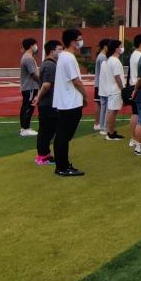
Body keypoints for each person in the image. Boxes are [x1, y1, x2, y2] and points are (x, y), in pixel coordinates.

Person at [53, 29, 88, 176]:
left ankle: (62, 165)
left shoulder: (64, 56)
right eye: (79, 39)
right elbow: (76, 81)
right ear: (73, 41)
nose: (81, 42)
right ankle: (62, 167)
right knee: (64, 136)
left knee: (62, 135)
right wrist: (85, 96)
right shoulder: (68, 58)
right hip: (70, 103)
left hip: (66, 102)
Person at [31, 40, 61, 165]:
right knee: (47, 130)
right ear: (52, 51)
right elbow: (46, 85)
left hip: (47, 102)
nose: (61, 52)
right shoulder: (50, 65)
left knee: (46, 130)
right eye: (59, 49)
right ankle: (43, 156)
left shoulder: (47, 64)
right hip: (48, 103)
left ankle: (44, 154)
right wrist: (38, 98)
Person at [100, 39, 125, 140]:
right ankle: (110, 133)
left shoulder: (111, 60)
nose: (122, 48)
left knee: (112, 111)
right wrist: (122, 89)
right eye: (120, 46)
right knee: (112, 112)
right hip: (115, 90)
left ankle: (111, 131)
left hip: (112, 89)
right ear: (116, 49)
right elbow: (117, 76)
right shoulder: (115, 61)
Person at [128, 34, 141, 154]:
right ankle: (139, 143)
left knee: (136, 114)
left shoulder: (133, 54)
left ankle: (134, 139)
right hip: (138, 86)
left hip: (134, 85)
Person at [18, 38, 40, 137]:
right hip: (30, 87)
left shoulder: (27, 57)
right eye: (35, 44)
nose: (36, 47)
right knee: (28, 107)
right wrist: (41, 81)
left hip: (29, 87)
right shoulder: (28, 58)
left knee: (27, 106)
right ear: (31, 46)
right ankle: (25, 129)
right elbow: (33, 74)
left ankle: (25, 128)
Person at [93, 38, 108, 134]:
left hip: (99, 83)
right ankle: (97, 123)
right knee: (99, 103)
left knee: (99, 103)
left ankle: (98, 123)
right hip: (100, 84)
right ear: (105, 46)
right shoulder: (102, 57)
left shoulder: (102, 56)